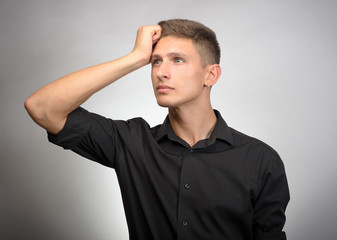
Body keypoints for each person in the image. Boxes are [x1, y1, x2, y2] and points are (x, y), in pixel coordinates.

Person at [25, 19, 289, 240]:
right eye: (155, 61)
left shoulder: (260, 160)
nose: (161, 72)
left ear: (211, 75)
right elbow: (42, 108)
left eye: (177, 60)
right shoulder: (131, 142)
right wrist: (134, 58)